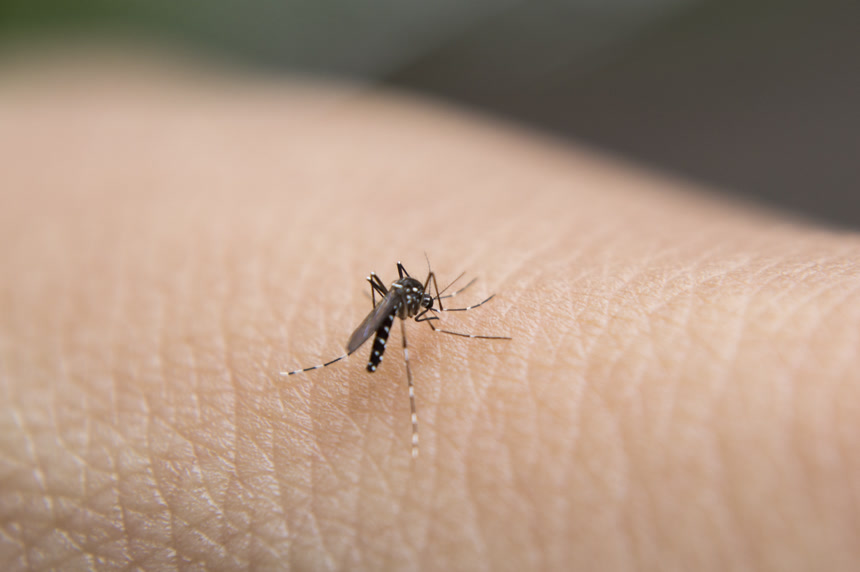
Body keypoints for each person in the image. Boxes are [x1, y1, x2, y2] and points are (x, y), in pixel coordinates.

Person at [2, 50, 858, 570]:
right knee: (394, 340)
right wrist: (406, 334)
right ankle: (356, 362)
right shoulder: (401, 315)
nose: (418, 301)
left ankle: (382, 342)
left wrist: (441, 308)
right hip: (383, 341)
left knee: (408, 297)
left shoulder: (415, 288)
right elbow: (402, 308)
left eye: (419, 302)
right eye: (421, 301)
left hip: (398, 311)